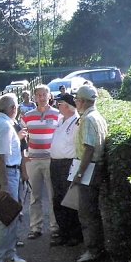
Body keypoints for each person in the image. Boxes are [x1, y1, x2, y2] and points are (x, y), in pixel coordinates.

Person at [0, 94, 27, 262]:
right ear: (13, 108)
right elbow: (0, 157)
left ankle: (10, 253)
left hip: (8, 172)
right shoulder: (4, 125)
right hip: (6, 173)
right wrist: (4, 185)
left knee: (12, 215)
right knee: (7, 217)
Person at [71, 84, 108, 262]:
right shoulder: (97, 116)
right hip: (96, 167)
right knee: (92, 210)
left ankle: (93, 250)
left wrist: (79, 174)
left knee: (86, 212)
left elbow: (89, 148)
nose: (76, 103)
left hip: (89, 169)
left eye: (77, 100)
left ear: (83, 101)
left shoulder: (87, 119)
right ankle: (96, 247)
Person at [21, 84, 60, 240]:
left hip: (51, 159)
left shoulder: (58, 115)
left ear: (49, 96)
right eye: (39, 95)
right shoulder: (27, 116)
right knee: (34, 196)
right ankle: (35, 227)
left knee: (52, 195)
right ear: (34, 97)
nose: (42, 98)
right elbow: (22, 139)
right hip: (33, 159)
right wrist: (24, 156)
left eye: (44, 94)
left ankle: (54, 227)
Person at [48, 92, 82, 247]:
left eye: (60, 104)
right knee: (58, 198)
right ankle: (63, 232)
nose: (57, 106)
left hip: (67, 164)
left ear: (68, 107)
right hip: (55, 163)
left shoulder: (76, 122)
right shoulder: (61, 120)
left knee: (69, 199)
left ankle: (74, 234)